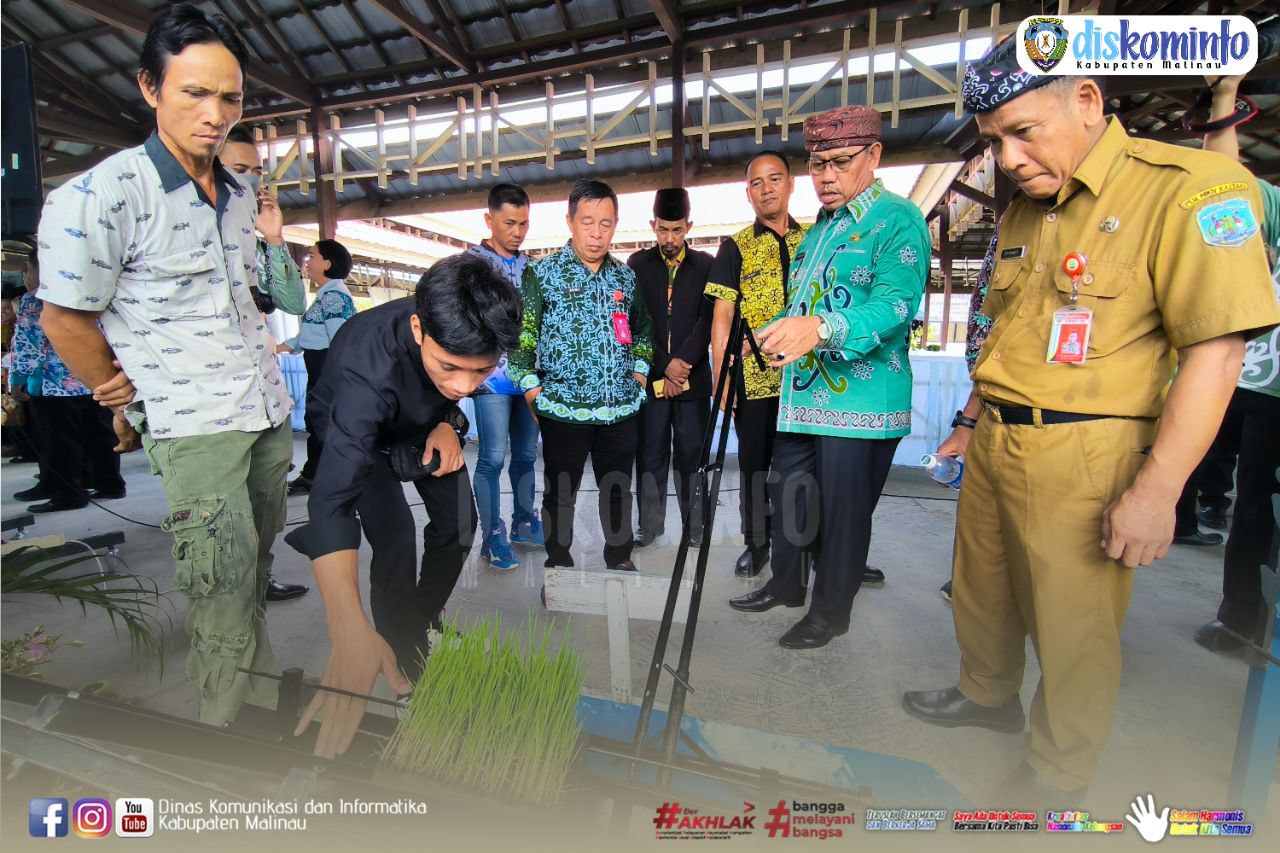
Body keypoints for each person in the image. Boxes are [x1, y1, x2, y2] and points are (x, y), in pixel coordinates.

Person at [901, 39, 1280, 800]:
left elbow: (1216, 354)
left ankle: (1058, 769)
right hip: (998, 435)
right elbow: (1005, 332)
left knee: (1075, 627)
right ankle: (987, 697)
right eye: (993, 141)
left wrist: (1159, 487)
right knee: (983, 591)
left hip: (1087, 446)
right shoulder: (1027, 209)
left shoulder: (1190, 190)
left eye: (1022, 131)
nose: (1006, 157)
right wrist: (970, 422)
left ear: (1086, 102)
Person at [36, 3, 306, 725]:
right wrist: (110, 385)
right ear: (150, 88)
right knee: (217, 587)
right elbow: (63, 316)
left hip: (266, 412)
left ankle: (258, 693)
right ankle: (228, 735)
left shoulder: (241, 194)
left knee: (252, 569)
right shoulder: (99, 196)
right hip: (197, 427)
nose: (215, 113)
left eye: (230, 97)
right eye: (194, 92)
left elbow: (258, 296)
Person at [285, 254, 521, 758]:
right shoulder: (364, 366)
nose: (463, 384)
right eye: (450, 367)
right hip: (357, 436)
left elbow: (453, 393)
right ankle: (403, 652)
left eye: (479, 372)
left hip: (421, 430)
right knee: (394, 540)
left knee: (460, 522)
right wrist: (346, 625)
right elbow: (332, 499)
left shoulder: (457, 345)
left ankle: (416, 619)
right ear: (418, 328)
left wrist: (449, 421)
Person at [727, 105, 930, 649]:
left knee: (842, 515)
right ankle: (787, 585)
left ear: (874, 156)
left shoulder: (897, 218)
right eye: (818, 165)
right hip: (802, 394)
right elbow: (804, 300)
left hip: (861, 401)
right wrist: (781, 333)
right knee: (787, 494)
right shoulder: (822, 226)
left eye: (841, 163)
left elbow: (894, 306)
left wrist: (819, 328)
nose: (827, 178)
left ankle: (829, 612)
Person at [507, 179, 655, 572]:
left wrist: (639, 377)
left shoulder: (625, 277)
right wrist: (531, 389)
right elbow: (522, 341)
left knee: (618, 491)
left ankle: (619, 558)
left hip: (620, 410)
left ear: (615, 223)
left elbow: (643, 331)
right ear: (570, 220)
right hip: (561, 410)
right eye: (588, 221)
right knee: (560, 494)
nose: (597, 233)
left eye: (606, 223)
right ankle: (558, 564)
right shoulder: (542, 274)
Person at [1191, 72, 1280, 653]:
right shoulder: (1273, 208)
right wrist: (1224, 99)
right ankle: (1244, 617)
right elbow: (1225, 187)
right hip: (1262, 386)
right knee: (1255, 507)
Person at [705, 151, 809, 577]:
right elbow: (722, 318)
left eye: (774, 179)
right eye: (756, 182)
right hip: (756, 381)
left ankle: (806, 543)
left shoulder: (816, 239)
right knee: (755, 468)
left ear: (790, 184)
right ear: (747, 192)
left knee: (804, 469)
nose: (766, 188)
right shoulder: (736, 246)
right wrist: (720, 377)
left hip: (810, 381)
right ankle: (757, 543)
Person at [219, 125, 311, 602]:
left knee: (268, 506)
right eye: (239, 172)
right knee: (221, 517)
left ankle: (260, 579)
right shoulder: (190, 230)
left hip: (266, 396)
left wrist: (275, 239)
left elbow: (293, 301)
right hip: (209, 404)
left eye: (256, 174)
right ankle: (231, 598)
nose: (252, 184)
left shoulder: (259, 243)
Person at [463, 183, 543, 571]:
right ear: (489, 219)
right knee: (492, 458)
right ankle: (492, 535)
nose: (517, 231)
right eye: (509, 223)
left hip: (527, 377)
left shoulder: (531, 267)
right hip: (490, 377)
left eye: (524, 223)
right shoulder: (470, 265)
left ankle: (524, 522)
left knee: (527, 455)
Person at [8, 250, 125, 513]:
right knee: (100, 435)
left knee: (59, 442)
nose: (24, 276)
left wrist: (18, 379)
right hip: (94, 377)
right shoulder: (92, 292)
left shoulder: (35, 301)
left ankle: (67, 492)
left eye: (27, 269)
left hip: (53, 384)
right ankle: (109, 484)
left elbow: (29, 343)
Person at [629, 188, 714, 549]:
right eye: (663, 230)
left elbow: (708, 320)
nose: (669, 238)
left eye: (676, 230)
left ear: (688, 227)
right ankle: (650, 526)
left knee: (692, 454)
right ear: (653, 226)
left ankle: (695, 527)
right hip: (652, 379)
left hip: (692, 381)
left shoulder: (707, 265)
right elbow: (637, 322)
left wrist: (683, 364)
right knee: (650, 452)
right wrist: (664, 367)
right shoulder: (637, 264)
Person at [280, 238, 356, 496]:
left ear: (327, 263)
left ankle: (326, 480)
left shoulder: (335, 297)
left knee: (323, 425)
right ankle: (315, 475)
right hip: (318, 366)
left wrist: (334, 379)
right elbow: (312, 335)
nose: (307, 261)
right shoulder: (326, 295)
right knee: (316, 423)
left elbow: (339, 340)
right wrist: (283, 346)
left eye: (312, 256)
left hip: (327, 369)